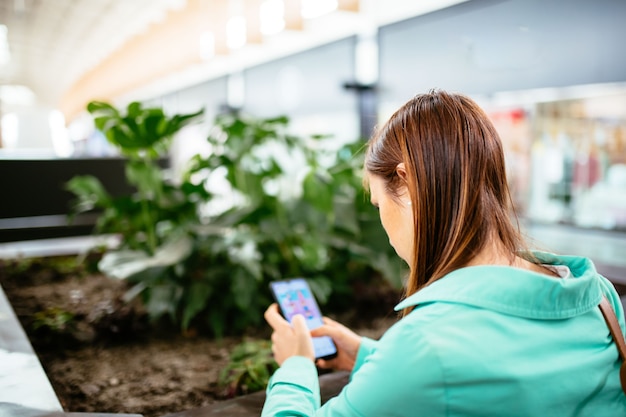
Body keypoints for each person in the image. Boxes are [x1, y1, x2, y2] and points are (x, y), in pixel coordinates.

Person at [262, 90, 626, 416]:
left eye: (378, 204)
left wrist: (296, 367)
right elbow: (483, 383)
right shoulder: (599, 298)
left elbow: (437, 366)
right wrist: (367, 357)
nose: (383, 224)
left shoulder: (425, 344)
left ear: (405, 183)